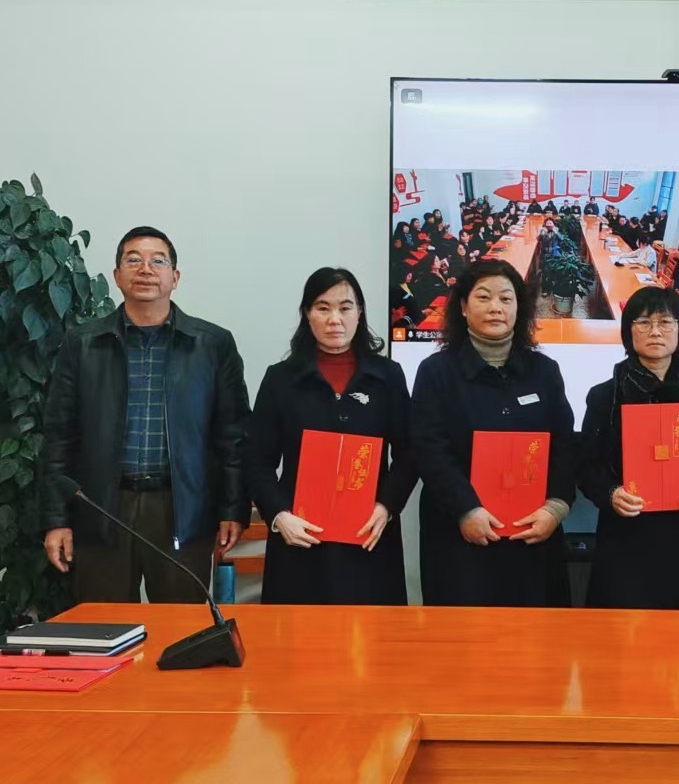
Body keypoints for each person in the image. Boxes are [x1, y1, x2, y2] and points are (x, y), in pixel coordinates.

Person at [41, 226, 250, 603]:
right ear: (117, 275)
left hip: (182, 508)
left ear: (175, 277)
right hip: (102, 506)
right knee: (104, 626)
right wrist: (57, 520)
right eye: (133, 260)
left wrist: (233, 508)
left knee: (181, 626)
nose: (146, 269)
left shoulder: (212, 344)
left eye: (159, 261)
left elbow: (232, 436)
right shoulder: (82, 344)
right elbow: (59, 437)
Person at [243, 268, 417, 604]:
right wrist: (279, 516)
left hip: (369, 534)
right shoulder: (281, 378)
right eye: (323, 308)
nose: (334, 319)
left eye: (345, 307)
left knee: (374, 632)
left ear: (359, 313)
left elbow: (410, 452)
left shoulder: (388, 375)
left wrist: (387, 506)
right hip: (300, 536)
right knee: (300, 633)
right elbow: (256, 458)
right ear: (307, 314)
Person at [411, 259, 576, 606]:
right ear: (463, 307)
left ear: (520, 307)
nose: (495, 308)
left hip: (533, 530)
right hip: (460, 534)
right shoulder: (436, 371)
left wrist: (556, 507)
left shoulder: (544, 371)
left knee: (534, 632)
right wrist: (466, 509)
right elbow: (429, 448)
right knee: (463, 633)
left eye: (506, 298)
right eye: (483, 297)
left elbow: (564, 445)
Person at [579, 288, 679, 609]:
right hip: (625, 537)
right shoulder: (604, 396)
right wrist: (611, 494)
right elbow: (587, 466)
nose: (655, 331)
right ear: (628, 331)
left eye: (665, 322)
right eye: (643, 322)